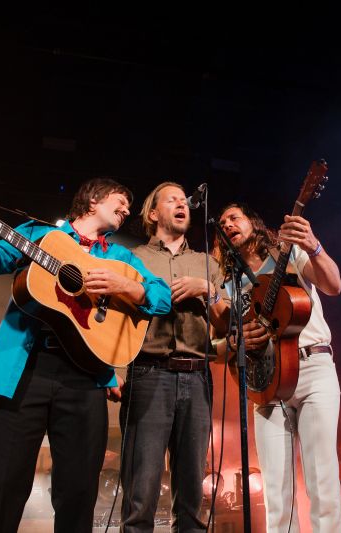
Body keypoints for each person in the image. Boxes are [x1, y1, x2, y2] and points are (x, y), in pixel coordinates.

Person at [0, 178, 171, 533]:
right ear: (93, 200)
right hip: (26, 369)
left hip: (86, 378)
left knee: (78, 492)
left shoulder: (120, 257)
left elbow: (162, 297)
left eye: (129, 205)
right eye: (120, 201)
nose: (127, 209)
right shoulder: (39, 234)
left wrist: (127, 286)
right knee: (2, 485)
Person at [213, 203, 341, 533]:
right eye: (223, 222)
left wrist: (314, 245)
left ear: (253, 223)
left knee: (321, 478)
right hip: (267, 381)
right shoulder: (227, 284)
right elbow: (224, 335)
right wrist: (241, 335)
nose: (227, 224)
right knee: (275, 490)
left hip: (312, 366)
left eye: (234, 217)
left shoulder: (291, 254)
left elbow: (333, 286)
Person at [119, 182, 229, 532]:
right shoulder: (133, 257)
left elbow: (225, 323)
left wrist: (208, 290)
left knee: (192, 493)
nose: (183, 204)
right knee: (141, 489)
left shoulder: (207, 263)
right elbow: (114, 318)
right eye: (173, 200)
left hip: (197, 378)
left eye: (185, 201)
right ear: (154, 214)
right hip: (148, 373)